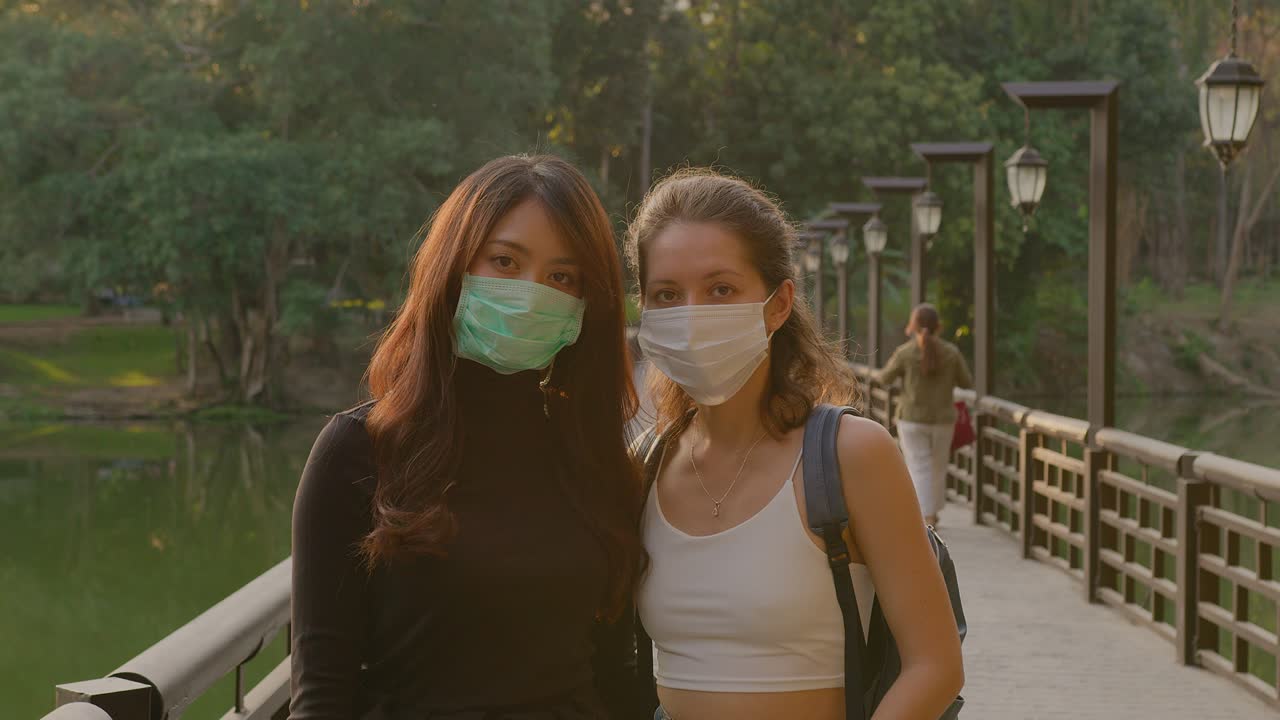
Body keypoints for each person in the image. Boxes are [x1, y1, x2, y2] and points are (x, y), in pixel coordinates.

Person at [289, 155, 643, 720]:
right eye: (505, 261)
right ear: (452, 268)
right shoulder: (359, 451)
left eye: (561, 277)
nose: (531, 294)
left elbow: (614, 672)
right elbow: (322, 691)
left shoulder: (599, 462)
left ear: (585, 304)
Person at [627, 169, 963, 720]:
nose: (691, 316)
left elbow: (936, 665)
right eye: (667, 294)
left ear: (778, 305)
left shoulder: (850, 454)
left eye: (721, 289)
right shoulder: (646, 464)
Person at [876, 303, 974, 527]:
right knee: (938, 467)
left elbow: (884, 378)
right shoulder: (951, 352)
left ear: (913, 326)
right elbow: (966, 382)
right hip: (943, 420)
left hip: (911, 418)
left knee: (919, 466)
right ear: (939, 326)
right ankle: (933, 513)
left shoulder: (905, 353)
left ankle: (927, 516)